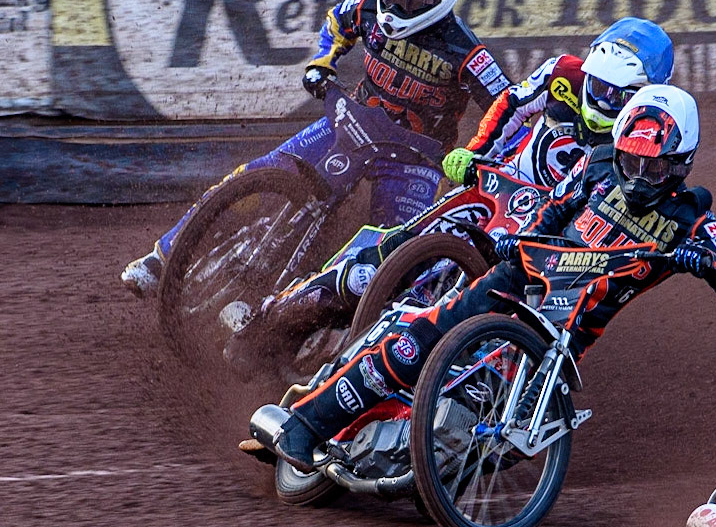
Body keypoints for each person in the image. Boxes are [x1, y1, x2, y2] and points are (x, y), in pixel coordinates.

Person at [248, 84, 716, 473]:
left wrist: (704, 262)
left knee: (501, 430)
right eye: (630, 162)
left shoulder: (693, 216)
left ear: (681, 165)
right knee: (418, 340)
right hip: (520, 278)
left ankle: (425, 472)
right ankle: (305, 425)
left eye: (653, 169)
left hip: (564, 331)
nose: (637, 177)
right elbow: (554, 210)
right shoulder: (597, 166)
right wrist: (520, 238)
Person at [221, 18, 676, 347]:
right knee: (387, 254)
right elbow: (512, 105)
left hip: (547, 229)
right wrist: (474, 153)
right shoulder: (563, 73)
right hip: (494, 187)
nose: (604, 99)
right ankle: (270, 319)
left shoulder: (655, 137)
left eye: (619, 94)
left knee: (500, 312)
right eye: (599, 85)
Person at [120, 0, 510, 297]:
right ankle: (163, 257)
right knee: (259, 172)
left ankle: (308, 322)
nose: (394, 4)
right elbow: (337, 22)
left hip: (414, 159)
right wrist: (323, 62)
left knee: (394, 254)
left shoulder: (467, 53)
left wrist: (476, 153)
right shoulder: (367, 3)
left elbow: (507, 106)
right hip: (353, 123)